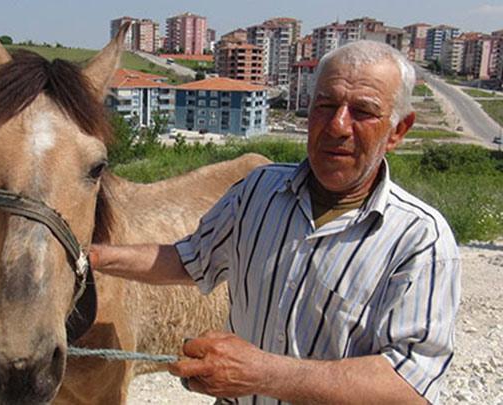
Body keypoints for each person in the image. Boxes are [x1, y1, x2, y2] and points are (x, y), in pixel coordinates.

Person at [89, 40, 460, 405]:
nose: (338, 126)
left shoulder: (421, 240)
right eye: (325, 105)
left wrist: (261, 373)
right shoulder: (258, 189)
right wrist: (94, 256)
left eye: (363, 111)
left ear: (398, 131)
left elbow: (410, 387)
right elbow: (190, 259)